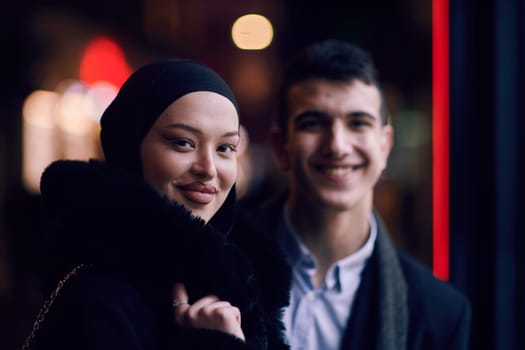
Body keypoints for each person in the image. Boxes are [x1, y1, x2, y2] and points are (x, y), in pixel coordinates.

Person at [23, 59, 291, 349]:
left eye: (225, 148)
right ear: (129, 146)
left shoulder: (243, 290)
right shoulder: (96, 301)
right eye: (183, 143)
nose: (209, 168)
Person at [257, 39, 471, 349]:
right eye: (314, 123)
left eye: (358, 123)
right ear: (280, 147)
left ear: (385, 145)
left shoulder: (441, 314)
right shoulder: (218, 261)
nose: (338, 146)